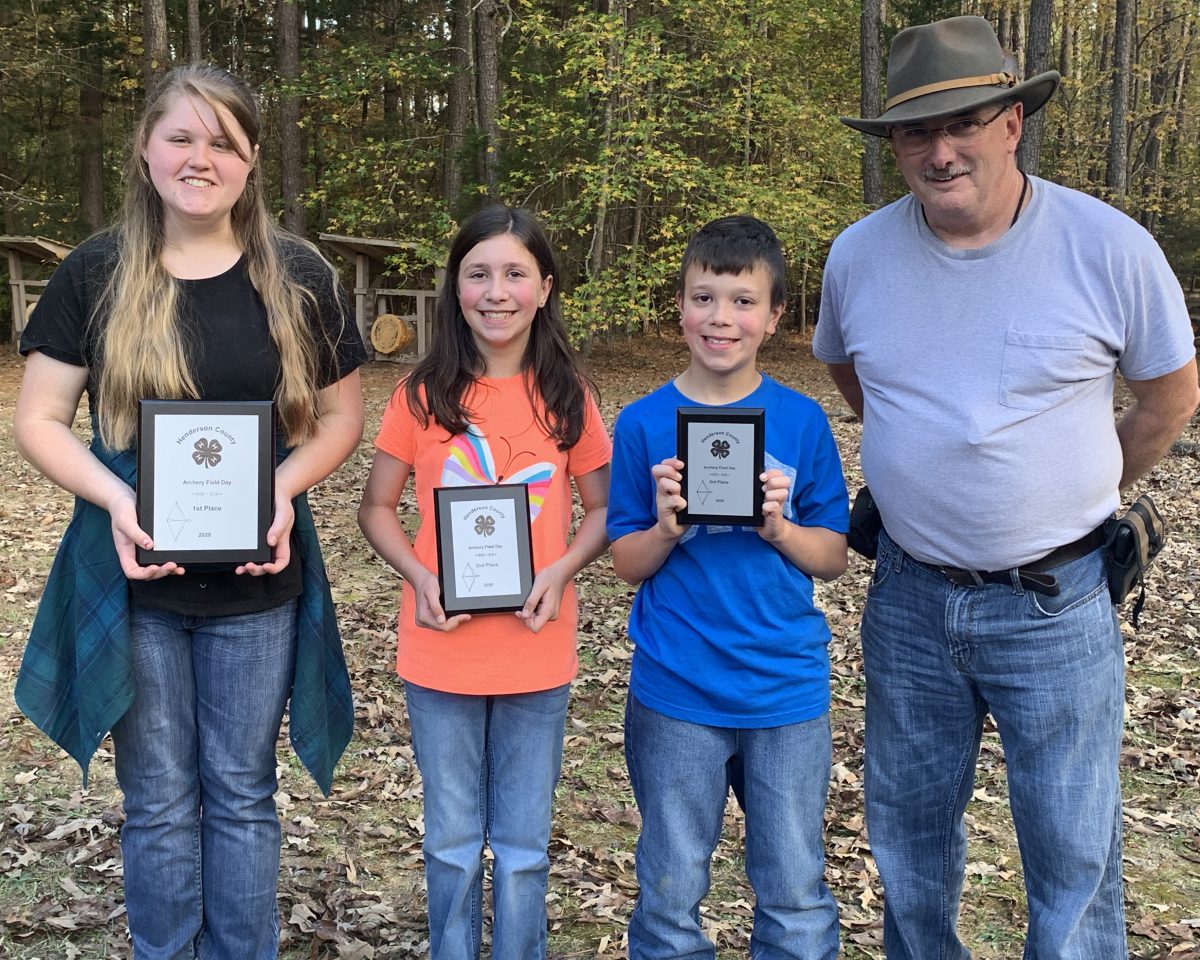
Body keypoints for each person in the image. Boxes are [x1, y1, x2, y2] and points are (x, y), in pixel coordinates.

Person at [815, 16, 1200, 960]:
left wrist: (1075, 490)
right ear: (894, 144)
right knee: (906, 840)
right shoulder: (857, 255)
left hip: (1057, 603)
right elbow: (855, 380)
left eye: (966, 123)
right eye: (917, 132)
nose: (941, 152)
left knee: (1072, 854)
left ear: (1013, 122)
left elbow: (1169, 395)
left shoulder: (1109, 246)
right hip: (907, 599)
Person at [12, 64, 367, 959]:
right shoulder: (96, 270)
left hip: (260, 579)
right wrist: (119, 498)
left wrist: (281, 491)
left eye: (224, 142)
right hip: (134, 573)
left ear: (251, 164)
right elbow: (40, 420)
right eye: (181, 136)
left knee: (242, 791)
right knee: (161, 797)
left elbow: (340, 420)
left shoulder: (300, 276)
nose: (200, 158)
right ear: (145, 148)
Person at [357, 204, 611, 960]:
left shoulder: (569, 397)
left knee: (526, 845)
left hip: (536, 649)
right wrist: (419, 572)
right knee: (453, 842)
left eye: (514, 274)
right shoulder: (420, 395)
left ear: (544, 288)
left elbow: (600, 510)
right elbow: (375, 508)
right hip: (442, 650)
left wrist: (562, 569)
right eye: (478, 274)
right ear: (455, 288)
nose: (495, 292)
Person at [607, 216, 849, 959]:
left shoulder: (803, 422)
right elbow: (626, 560)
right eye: (704, 297)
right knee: (672, 883)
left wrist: (780, 527)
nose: (721, 318)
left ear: (775, 317)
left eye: (743, 301)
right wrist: (666, 526)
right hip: (678, 687)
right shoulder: (644, 424)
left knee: (793, 883)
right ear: (679, 306)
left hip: (784, 688)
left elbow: (833, 555)